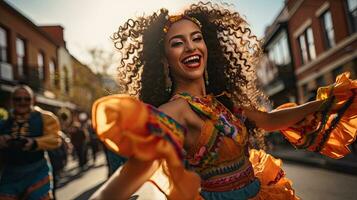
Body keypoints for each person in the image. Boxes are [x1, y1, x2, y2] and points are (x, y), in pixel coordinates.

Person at [90, 2, 357, 200]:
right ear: (163, 59)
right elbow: (140, 165)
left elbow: (269, 119)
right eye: (177, 43)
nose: (191, 47)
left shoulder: (222, 102)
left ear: (208, 48)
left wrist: (326, 102)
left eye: (197, 38)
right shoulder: (176, 110)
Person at [0, 85, 62, 199]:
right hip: (10, 173)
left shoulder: (45, 118)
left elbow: (55, 139)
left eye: (27, 99)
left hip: (37, 171)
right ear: (12, 101)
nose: (22, 102)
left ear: (33, 100)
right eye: (18, 99)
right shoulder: (4, 121)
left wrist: (35, 143)